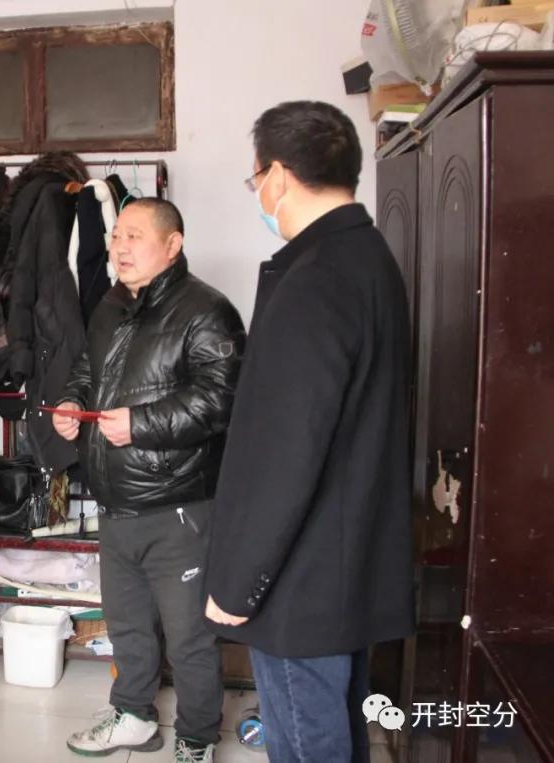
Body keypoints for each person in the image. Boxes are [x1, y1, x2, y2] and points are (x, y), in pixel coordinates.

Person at [204, 101, 414, 763]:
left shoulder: (316, 278)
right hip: (344, 561)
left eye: (255, 177)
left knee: (308, 742)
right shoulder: (367, 257)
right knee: (338, 732)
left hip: (303, 576)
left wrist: (237, 582)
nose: (258, 191)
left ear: (277, 175)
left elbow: (287, 452)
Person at [55, 198, 245, 763]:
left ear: (172, 244)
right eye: (116, 235)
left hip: (178, 506)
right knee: (128, 627)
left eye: (133, 236)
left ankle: (197, 738)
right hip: (115, 503)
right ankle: (134, 716)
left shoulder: (207, 311)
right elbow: (88, 370)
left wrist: (140, 424)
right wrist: (73, 402)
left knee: (189, 637)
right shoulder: (111, 304)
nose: (118, 247)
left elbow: (219, 401)